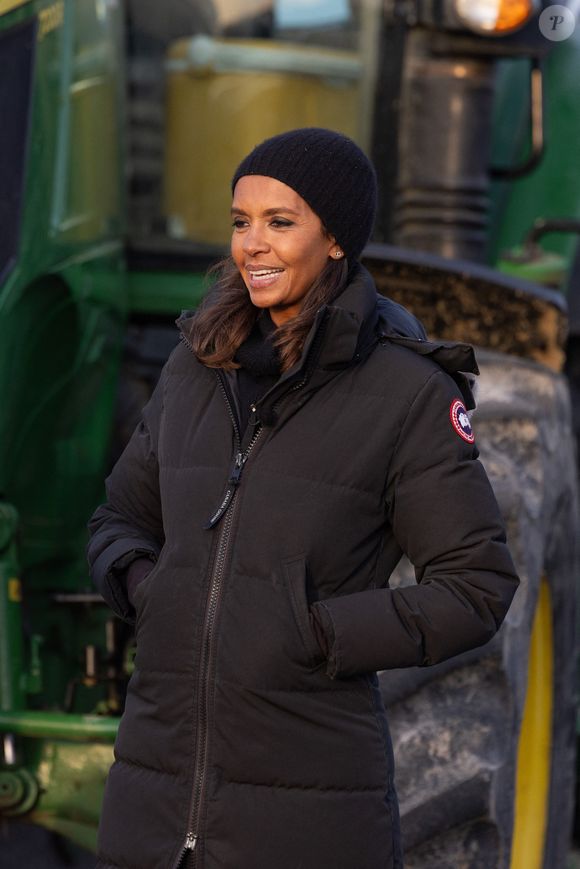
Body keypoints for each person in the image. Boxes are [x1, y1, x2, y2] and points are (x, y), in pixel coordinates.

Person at [87, 128, 519, 869]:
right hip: (152, 815)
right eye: (240, 221)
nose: (252, 244)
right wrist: (151, 591)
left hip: (309, 822)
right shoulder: (196, 371)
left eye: (280, 223)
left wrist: (316, 632)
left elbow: (476, 585)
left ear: (337, 240)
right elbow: (119, 519)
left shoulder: (406, 393)